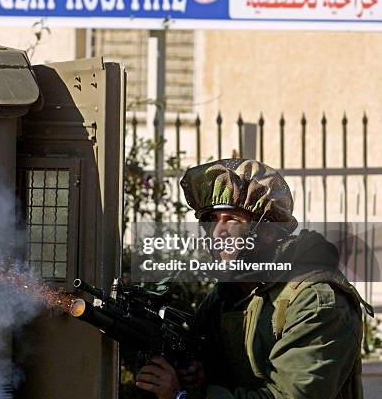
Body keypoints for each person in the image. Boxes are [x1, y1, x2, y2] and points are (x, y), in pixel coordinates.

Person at [135, 158, 373, 399]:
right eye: (211, 220)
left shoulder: (316, 301)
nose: (218, 232)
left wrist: (183, 396)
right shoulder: (225, 297)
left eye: (233, 219)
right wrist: (199, 374)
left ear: (268, 231)